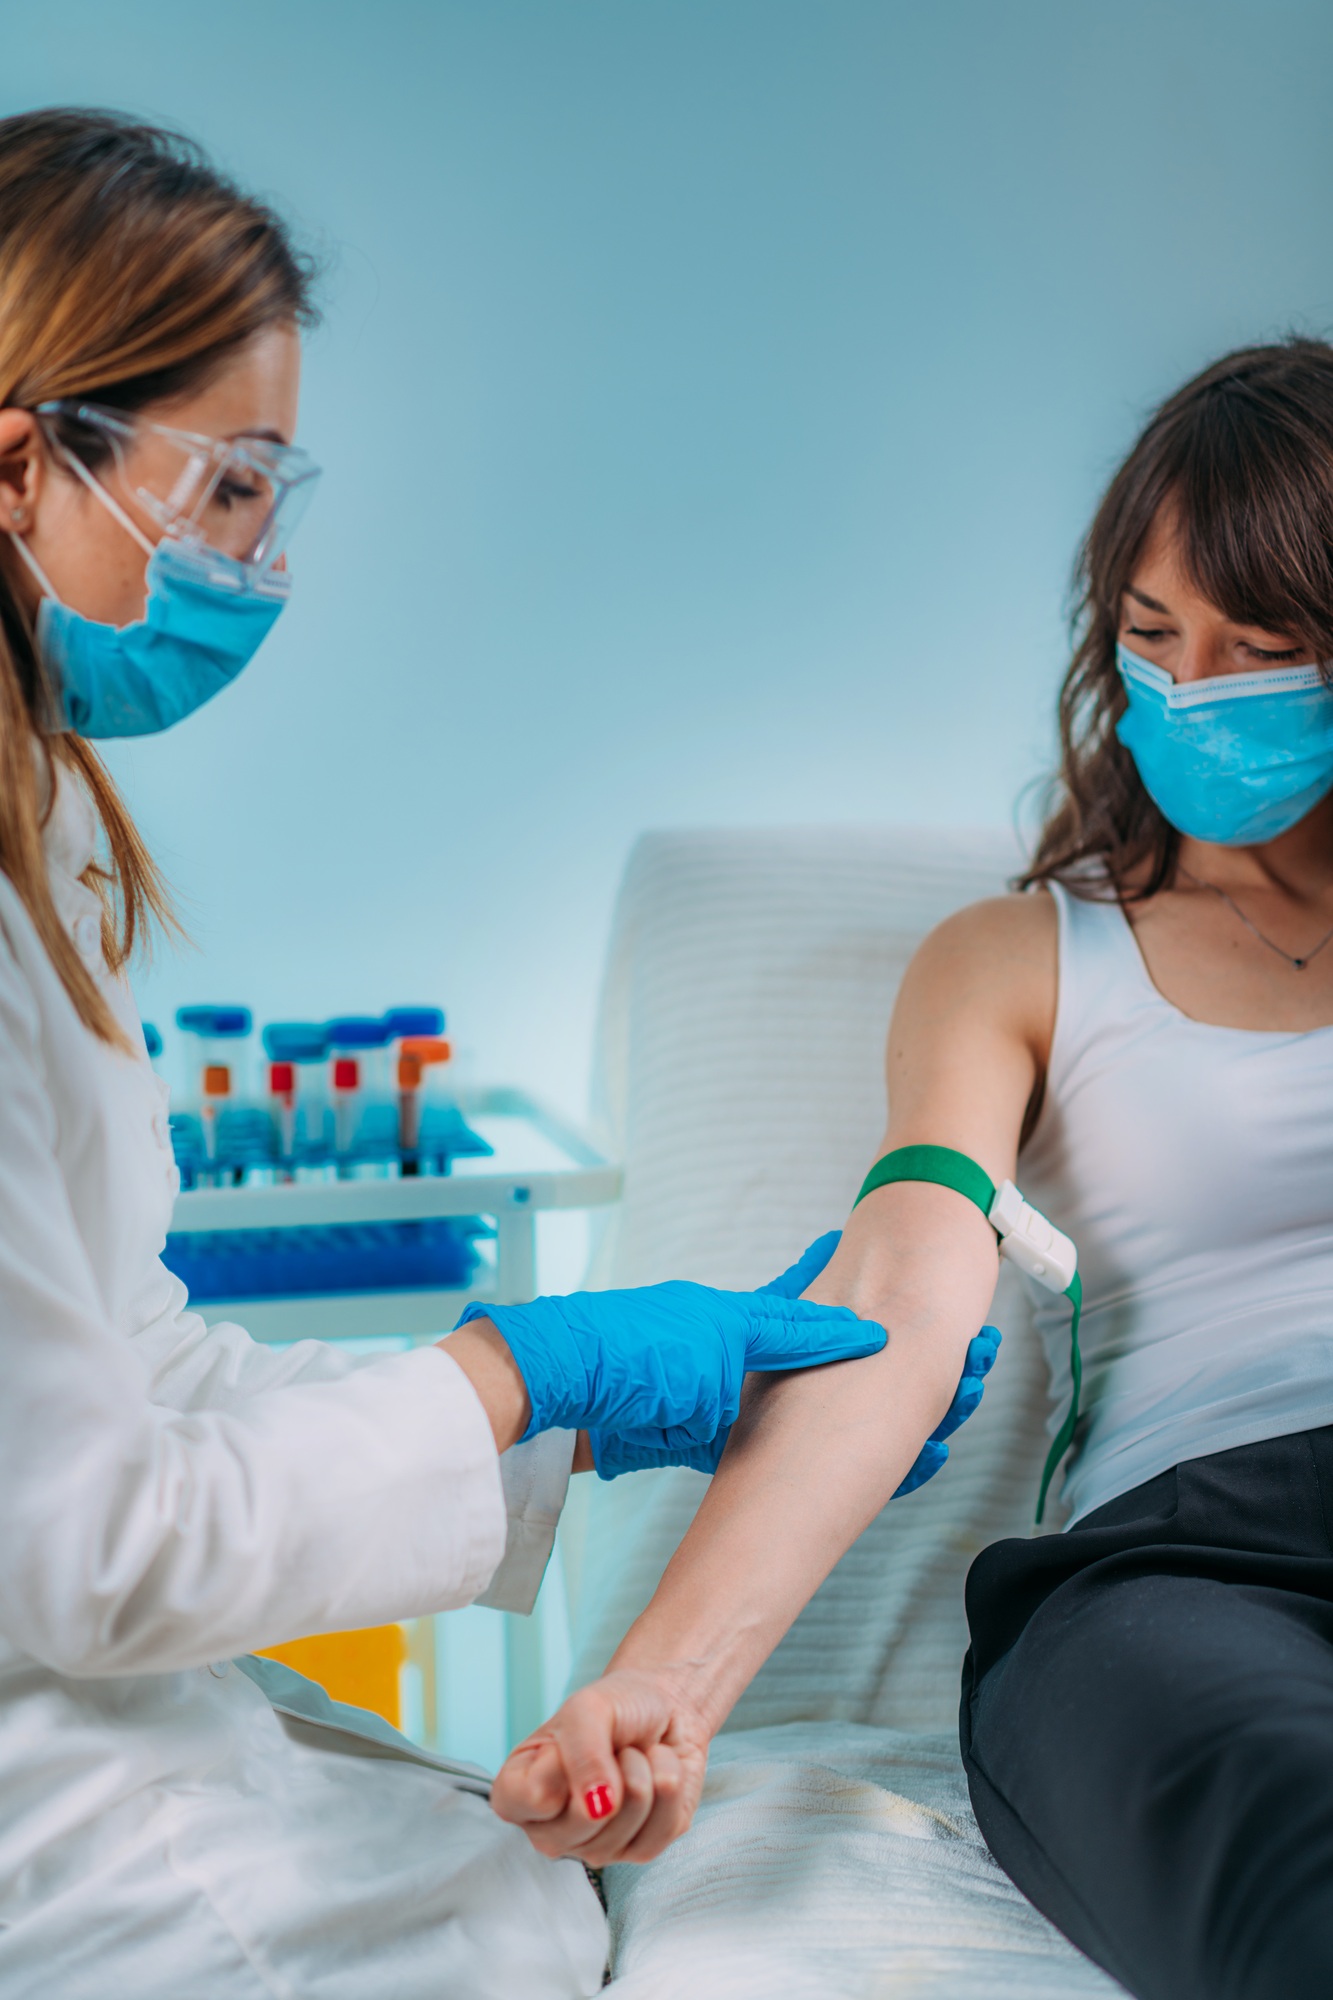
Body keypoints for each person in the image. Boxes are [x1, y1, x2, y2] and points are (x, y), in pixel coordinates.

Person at [0, 109, 1004, 1997]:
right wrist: (514, 1367)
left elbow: (118, 1390)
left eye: (278, 492)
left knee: (487, 1876)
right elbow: (92, 1547)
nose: (260, 557)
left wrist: (557, 1415)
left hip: (78, 1703)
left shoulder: (29, 829)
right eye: (223, 487)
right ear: (22, 464)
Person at [494, 337, 1333, 1998]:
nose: (1184, 693)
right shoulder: (1020, 960)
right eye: (1150, 638)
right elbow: (899, 1307)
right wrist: (668, 1683)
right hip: (1183, 1569)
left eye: (1255, 652)